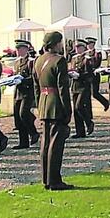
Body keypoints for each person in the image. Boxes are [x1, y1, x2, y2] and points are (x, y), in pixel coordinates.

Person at [34, 31, 74, 191]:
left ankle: (46, 179)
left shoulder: (38, 60)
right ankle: (55, 180)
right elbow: (63, 88)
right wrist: (67, 110)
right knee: (56, 145)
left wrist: (39, 105)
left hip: (44, 103)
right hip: (56, 103)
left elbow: (36, 87)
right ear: (56, 44)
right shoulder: (59, 60)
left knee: (45, 144)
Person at [68, 39, 94, 139]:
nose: (77, 49)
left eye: (79, 47)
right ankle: (80, 131)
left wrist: (79, 75)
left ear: (84, 48)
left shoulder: (87, 59)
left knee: (79, 106)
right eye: (76, 47)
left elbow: (89, 74)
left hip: (83, 86)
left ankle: (89, 122)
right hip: (75, 86)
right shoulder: (74, 58)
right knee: (75, 109)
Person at [85, 37, 110, 112]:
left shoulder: (97, 53)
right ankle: (89, 113)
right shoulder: (85, 53)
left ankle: (105, 103)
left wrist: (90, 62)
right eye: (87, 44)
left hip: (94, 74)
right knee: (87, 94)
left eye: (90, 44)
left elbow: (96, 64)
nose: (88, 46)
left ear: (93, 44)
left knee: (95, 93)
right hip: (87, 75)